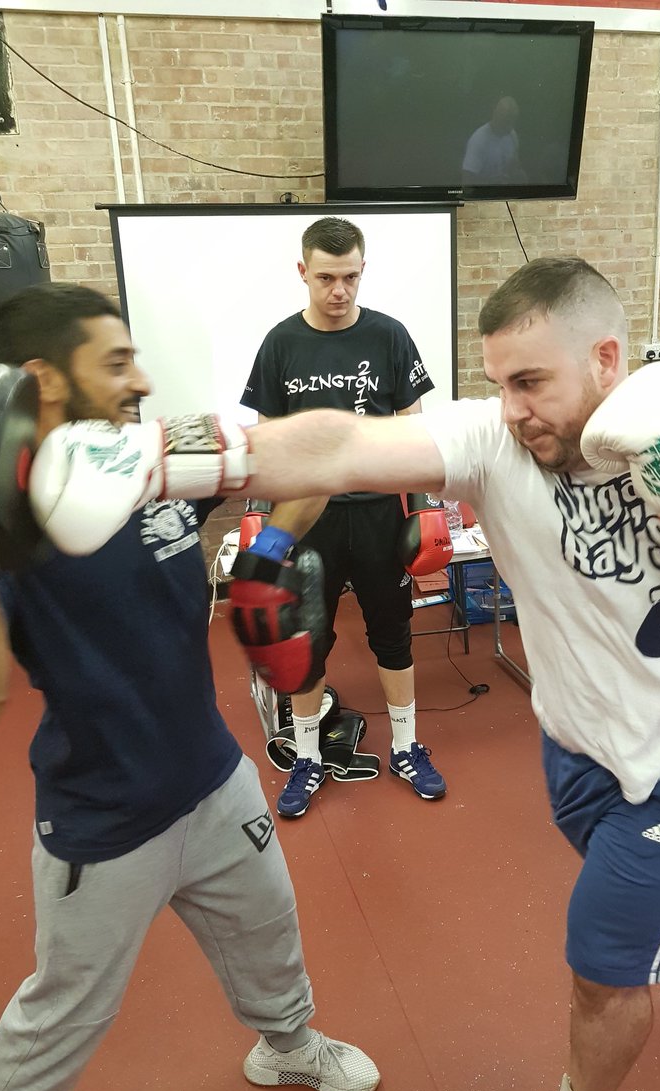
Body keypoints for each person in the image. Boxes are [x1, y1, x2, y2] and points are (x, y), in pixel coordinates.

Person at [0, 258, 660, 1091]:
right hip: (578, 738)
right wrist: (142, 458)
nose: (512, 408)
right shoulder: (496, 436)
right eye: (498, 383)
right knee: (650, 880)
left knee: (603, 961)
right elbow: (333, 445)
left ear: (607, 359)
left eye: (532, 382)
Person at [0, 284, 379, 1091]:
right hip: (105, 824)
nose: (141, 379)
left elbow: (299, 464)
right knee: (64, 1016)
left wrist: (266, 551)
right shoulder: (7, 520)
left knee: (271, 929)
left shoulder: (150, 457)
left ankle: (289, 1047)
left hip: (214, 777)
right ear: (46, 378)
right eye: (115, 363)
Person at [239, 216, 447, 818]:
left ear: (362, 272)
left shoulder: (389, 335)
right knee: (309, 639)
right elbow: (267, 439)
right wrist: (262, 522)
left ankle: (408, 746)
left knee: (393, 633)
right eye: (326, 277)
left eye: (350, 277)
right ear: (303, 272)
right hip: (309, 522)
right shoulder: (281, 343)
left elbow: (412, 425)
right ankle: (306, 756)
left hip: (381, 512)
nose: (339, 290)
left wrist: (426, 505)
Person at [461, 96, 526, 187]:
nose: (509, 126)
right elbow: (467, 182)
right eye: (506, 120)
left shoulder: (512, 135)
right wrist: (491, 185)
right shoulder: (478, 140)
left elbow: (515, 167)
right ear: (495, 114)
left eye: (512, 121)